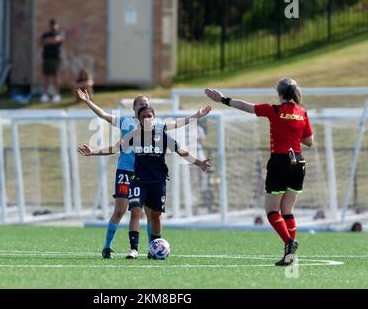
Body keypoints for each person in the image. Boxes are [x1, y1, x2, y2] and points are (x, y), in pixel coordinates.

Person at [77, 89, 212, 259]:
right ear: (134, 108)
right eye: (141, 104)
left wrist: (196, 115)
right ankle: (110, 246)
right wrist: (89, 102)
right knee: (122, 210)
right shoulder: (126, 123)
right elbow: (104, 118)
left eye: (147, 105)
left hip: (151, 174)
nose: (145, 107)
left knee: (152, 214)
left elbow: (179, 126)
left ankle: (152, 247)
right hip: (127, 171)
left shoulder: (158, 128)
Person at [205, 77, 314, 266]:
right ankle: (290, 255)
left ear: (279, 93)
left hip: (280, 162)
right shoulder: (302, 112)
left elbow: (247, 106)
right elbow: (309, 141)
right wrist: (293, 134)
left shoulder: (274, 110)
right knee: (287, 210)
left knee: (272, 211)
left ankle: (289, 242)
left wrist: (223, 99)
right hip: (298, 162)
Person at [40, 18, 63, 103]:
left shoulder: (59, 33)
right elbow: (41, 42)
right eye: (52, 24)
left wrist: (48, 41)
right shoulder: (46, 34)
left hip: (55, 58)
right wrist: (50, 40)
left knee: (55, 76)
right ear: (50, 25)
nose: (53, 26)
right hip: (46, 58)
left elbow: (56, 40)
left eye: (55, 24)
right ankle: (45, 95)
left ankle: (57, 94)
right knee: (46, 77)